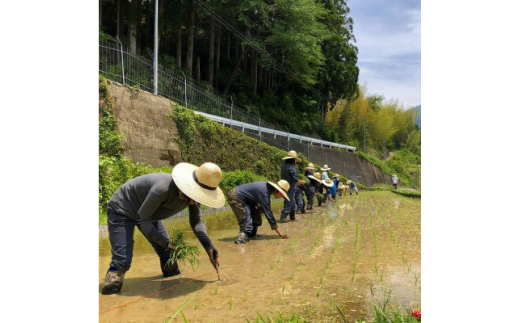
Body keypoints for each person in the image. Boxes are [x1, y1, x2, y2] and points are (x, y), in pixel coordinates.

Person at [101, 162, 225, 295]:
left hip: (149, 214)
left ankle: (170, 293)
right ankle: (110, 293)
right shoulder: (162, 188)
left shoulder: (194, 196)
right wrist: (165, 242)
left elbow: (196, 221)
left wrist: (209, 246)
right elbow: (143, 220)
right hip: (123, 208)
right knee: (121, 261)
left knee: (168, 256)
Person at [227, 180, 291, 244]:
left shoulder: (267, 189)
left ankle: (251, 235)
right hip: (236, 197)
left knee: (256, 216)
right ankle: (241, 240)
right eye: (282, 195)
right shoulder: (265, 192)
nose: (281, 197)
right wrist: (280, 233)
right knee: (246, 221)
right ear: (277, 190)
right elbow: (269, 214)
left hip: (245, 199)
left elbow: (256, 198)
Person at [280, 150, 306, 222]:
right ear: (293, 160)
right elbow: (295, 179)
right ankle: (283, 216)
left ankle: (292, 216)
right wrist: (302, 182)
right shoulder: (291, 168)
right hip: (290, 186)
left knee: (292, 202)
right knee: (289, 201)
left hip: (284, 186)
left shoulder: (284, 167)